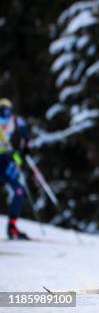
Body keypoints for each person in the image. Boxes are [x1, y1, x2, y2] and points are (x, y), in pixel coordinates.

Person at [0, 98, 32, 240]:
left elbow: (24, 132)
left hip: (6, 162)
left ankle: (12, 227)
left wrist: (24, 150)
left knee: (19, 190)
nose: (6, 113)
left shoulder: (14, 120)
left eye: (8, 109)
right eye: (2, 109)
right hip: (4, 157)